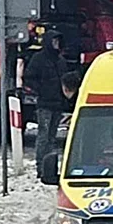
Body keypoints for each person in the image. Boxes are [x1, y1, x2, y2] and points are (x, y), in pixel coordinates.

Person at [27, 28, 70, 178]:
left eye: (58, 41)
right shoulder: (39, 59)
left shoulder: (61, 60)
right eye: (54, 41)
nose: (56, 44)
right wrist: (41, 90)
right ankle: (40, 167)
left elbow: (65, 81)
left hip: (57, 103)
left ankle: (50, 168)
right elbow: (30, 78)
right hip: (44, 103)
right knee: (43, 136)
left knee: (52, 138)